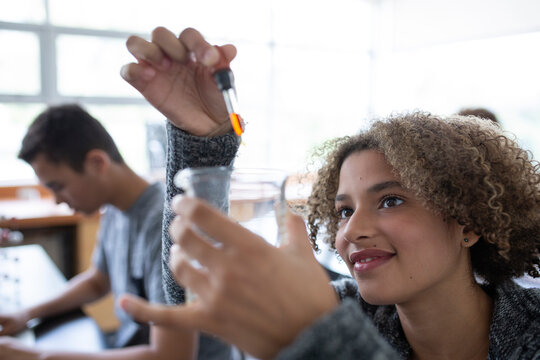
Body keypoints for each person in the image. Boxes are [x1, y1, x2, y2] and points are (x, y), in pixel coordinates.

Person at [116, 26, 540, 360]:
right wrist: (203, 142)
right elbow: (201, 284)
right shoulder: (345, 311)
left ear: (467, 223)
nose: (352, 230)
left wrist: (322, 341)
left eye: (390, 200)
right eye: (343, 211)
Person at [0, 104, 196, 359]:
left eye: (58, 186)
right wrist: (27, 313)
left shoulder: (163, 225)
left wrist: (36, 356)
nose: (57, 200)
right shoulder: (115, 208)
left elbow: (171, 356)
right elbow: (97, 281)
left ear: (96, 163)